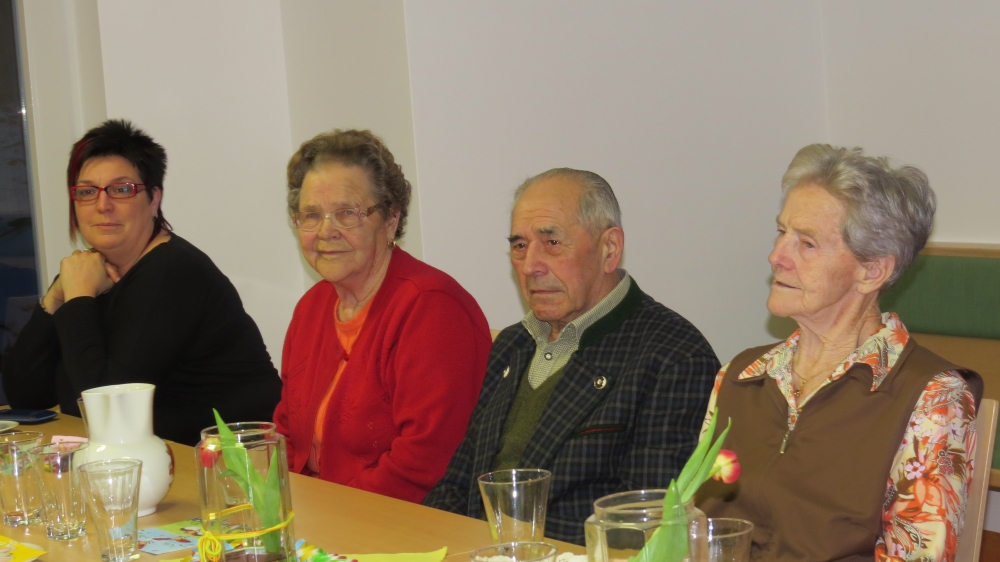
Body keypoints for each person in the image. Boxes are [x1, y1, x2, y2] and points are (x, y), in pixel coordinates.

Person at [697, 144, 983, 561]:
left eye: (807, 243)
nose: (776, 256)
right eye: (781, 232)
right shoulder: (739, 375)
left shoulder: (932, 398)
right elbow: (689, 525)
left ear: (872, 271)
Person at [423, 168, 720, 544]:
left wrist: (505, 543)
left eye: (552, 242)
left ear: (609, 249)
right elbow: (458, 483)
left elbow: (643, 529)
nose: (530, 266)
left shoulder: (675, 357)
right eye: (519, 245)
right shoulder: (512, 345)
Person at [3, 119, 281, 446]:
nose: (102, 205)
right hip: (153, 456)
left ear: (153, 199)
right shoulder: (89, 270)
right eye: (87, 192)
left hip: (231, 462)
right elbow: (27, 397)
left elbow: (110, 410)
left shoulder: (173, 271)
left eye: (122, 189)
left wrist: (78, 298)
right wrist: (54, 299)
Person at [273, 129, 491, 504]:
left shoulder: (432, 308)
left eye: (347, 213)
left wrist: (325, 515)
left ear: (390, 219)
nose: (326, 231)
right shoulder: (311, 307)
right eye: (311, 215)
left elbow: (423, 467)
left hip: (396, 522)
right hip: (317, 517)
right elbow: (287, 436)